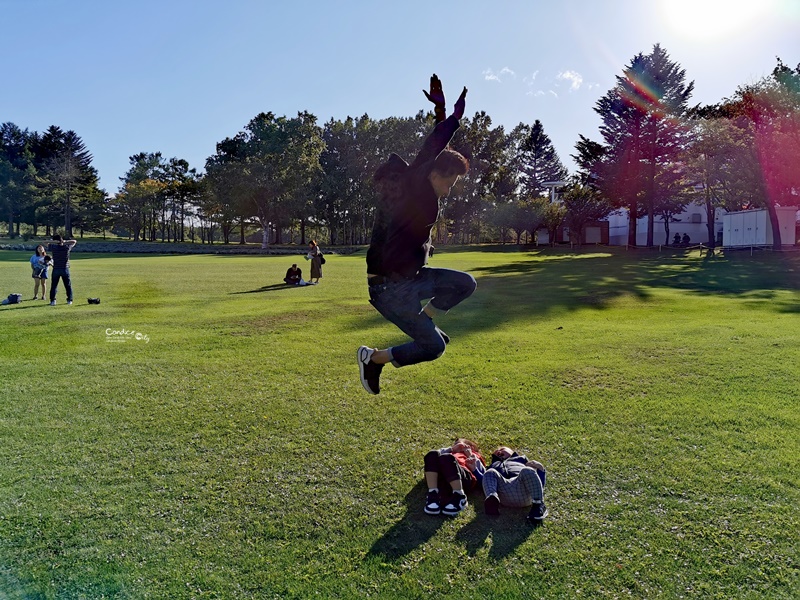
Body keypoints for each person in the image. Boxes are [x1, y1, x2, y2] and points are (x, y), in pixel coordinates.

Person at [357, 74, 476, 395]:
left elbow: (435, 150)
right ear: (435, 175)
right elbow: (433, 147)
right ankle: (374, 359)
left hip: (412, 278)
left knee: (465, 283)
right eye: (449, 184)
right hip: (388, 288)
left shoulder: (421, 184)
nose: (449, 192)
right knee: (433, 348)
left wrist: (444, 114)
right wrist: (451, 118)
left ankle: (427, 320)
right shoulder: (415, 187)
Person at [482, 445, 548, 523]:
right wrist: (475, 469)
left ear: (512, 452)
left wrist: (540, 469)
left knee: (527, 471)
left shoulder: (522, 461)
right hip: (503, 493)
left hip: (524, 490)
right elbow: (484, 481)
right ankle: (492, 499)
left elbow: (537, 484)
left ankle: (538, 506)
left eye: (502, 449)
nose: (499, 451)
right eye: (496, 453)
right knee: (490, 472)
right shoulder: (493, 466)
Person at [423, 438, 485, 517]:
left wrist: (470, 455)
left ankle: (459, 495)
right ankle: (433, 493)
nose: (459, 447)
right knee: (432, 454)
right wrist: (451, 449)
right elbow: (435, 455)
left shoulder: (475, 456)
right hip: (442, 477)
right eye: (456, 444)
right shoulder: (450, 452)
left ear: (471, 447)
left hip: (462, 478)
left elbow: (483, 476)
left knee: (447, 459)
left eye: (463, 445)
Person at [47, 234, 77, 306]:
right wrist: (64, 241)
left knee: (54, 285)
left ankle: (53, 300)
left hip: (57, 269)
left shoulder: (53, 247)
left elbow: (45, 243)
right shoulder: (66, 247)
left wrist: (53, 242)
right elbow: (74, 241)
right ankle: (69, 300)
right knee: (67, 285)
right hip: (64, 269)